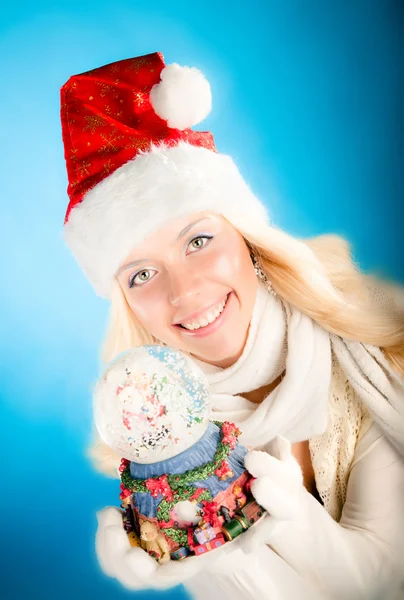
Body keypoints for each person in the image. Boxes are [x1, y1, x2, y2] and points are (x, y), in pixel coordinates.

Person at [60, 51, 404, 600]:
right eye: (142, 273)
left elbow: (386, 579)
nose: (184, 292)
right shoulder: (161, 443)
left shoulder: (363, 353)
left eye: (199, 241)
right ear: (125, 300)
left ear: (245, 237)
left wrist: (291, 518)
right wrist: (190, 555)